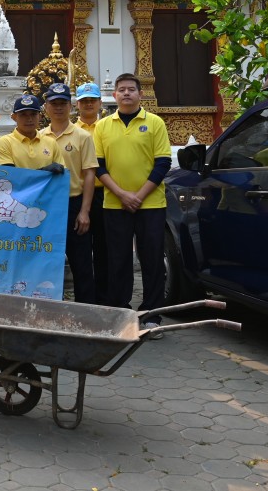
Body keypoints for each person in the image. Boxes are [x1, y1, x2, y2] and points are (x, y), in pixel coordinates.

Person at [92, 73, 172, 337]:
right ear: (114, 95)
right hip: (115, 204)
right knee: (118, 260)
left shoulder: (155, 122)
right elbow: (98, 166)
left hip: (151, 204)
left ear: (140, 94)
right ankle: (122, 313)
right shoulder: (103, 126)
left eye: (131, 89)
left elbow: (163, 162)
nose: (126, 93)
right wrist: (122, 194)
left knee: (152, 260)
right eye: (122, 89)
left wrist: (139, 195)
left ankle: (151, 315)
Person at [40, 83, 99, 305]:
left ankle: (86, 310)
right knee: (47, 262)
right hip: (47, 207)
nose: (58, 108)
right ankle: (50, 307)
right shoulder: (39, 137)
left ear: (71, 106)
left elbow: (90, 174)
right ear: (46, 107)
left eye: (62, 103)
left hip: (74, 203)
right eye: (54, 103)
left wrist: (85, 211)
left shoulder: (82, 136)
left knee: (81, 263)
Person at [74, 81, 110, 305]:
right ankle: (85, 300)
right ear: (77, 104)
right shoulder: (71, 131)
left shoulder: (107, 128)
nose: (88, 104)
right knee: (81, 252)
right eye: (84, 101)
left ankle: (105, 298)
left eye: (92, 100)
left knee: (104, 249)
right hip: (79, 196)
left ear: (100, 103)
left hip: (105, 193)